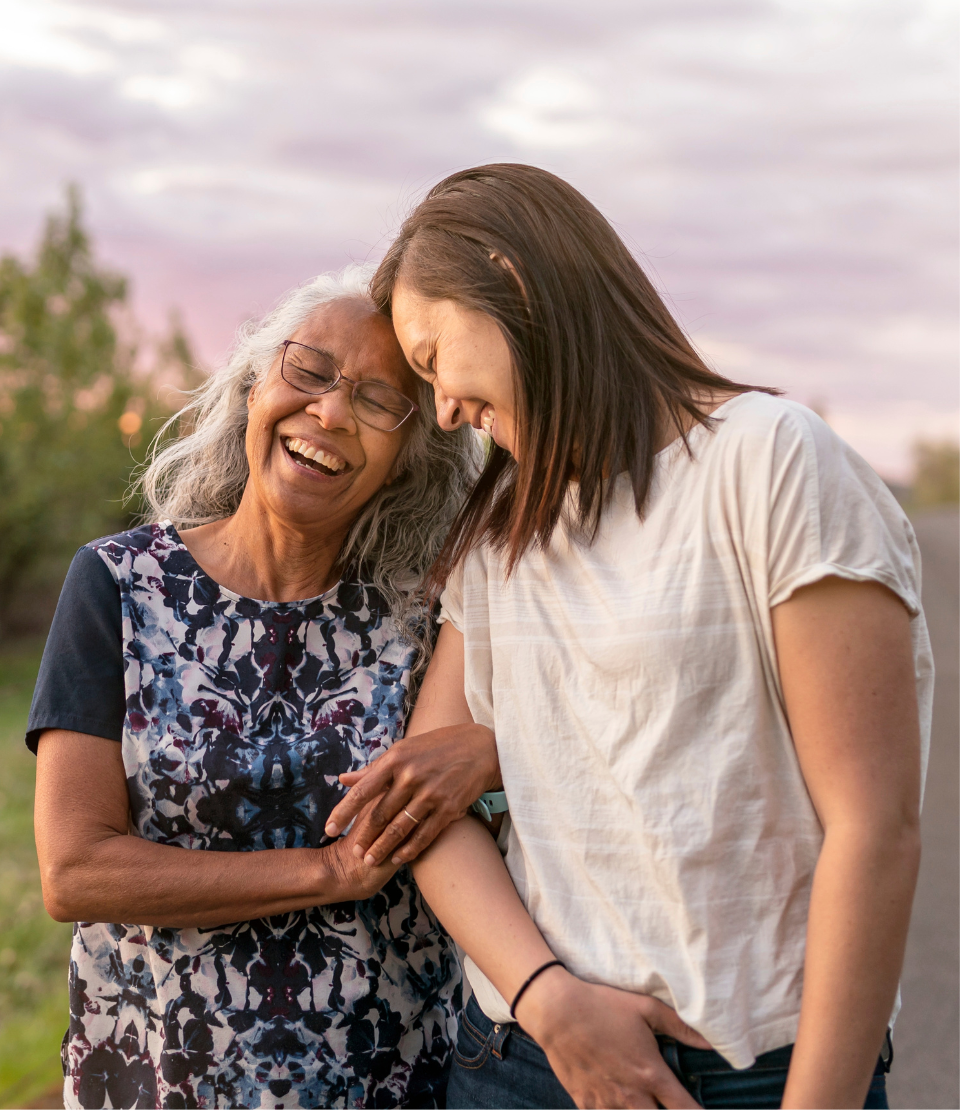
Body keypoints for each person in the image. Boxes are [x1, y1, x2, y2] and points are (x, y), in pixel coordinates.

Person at [329, 165, 932, 1109]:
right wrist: (546, 1000)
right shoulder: (501, 532)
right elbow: (421, 807)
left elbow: (875, 830)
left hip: (756, 1071)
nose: (442, 407)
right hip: (526, 1061)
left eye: (434, 353)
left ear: (511, 280)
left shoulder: (770, 463)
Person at [28, 267, 498, 1110]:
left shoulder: (435, 614)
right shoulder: (118, 585)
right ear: (254, 388)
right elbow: (76, 869)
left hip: (392, 1081)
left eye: (379, 401)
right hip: (160, 1080)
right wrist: (326, 871)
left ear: (408, 457)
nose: (329, 412)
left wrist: (489, 752)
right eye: (309, 371)